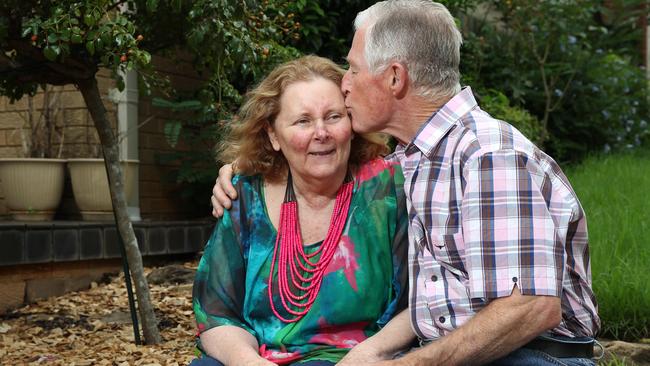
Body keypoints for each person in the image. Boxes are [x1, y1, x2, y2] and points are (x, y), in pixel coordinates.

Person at [210, 1, 601, 365]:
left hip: (529, 356)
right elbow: (324, 163)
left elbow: (530, 306)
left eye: (354, 69)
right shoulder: (418, 158)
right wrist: (242, 167)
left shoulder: (486, 156)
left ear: (395, 77)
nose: (345, 84)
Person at [192, 55, 411, 366]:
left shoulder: (387, 189)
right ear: (273, 135)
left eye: (334, 116)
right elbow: (215, 313)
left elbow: (419, 301)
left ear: (352, 123)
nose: (320, 132)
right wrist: (250, 362)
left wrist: (369, 355)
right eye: (303, 121)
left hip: (357, 359)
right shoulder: (244, 197)